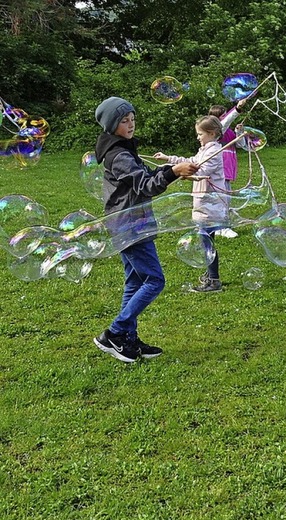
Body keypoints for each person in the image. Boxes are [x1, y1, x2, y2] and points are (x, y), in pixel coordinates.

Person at [93, 96, 199, 363]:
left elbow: (149, 175)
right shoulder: (118, 155)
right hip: (129, 224)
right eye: (124, 121)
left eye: (132, 119)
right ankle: (115, 333)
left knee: (135, 281)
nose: (130, 124)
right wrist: (173, 171)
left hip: (131, 222)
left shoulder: (123, 149)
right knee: (155, 280)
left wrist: (173, 171)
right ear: (112, 125)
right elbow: (146, 186)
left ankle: (127, 338)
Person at [154, 115, 227, 293]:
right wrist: (168, 159)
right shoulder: (205, 149)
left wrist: (184, 174)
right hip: (204, 201)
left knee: (206, 240)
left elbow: (202, 171)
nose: (197, 137)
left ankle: (214, 280)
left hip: (211, 203)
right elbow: (191, 162)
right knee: (206, 240)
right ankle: (211, 275)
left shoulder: (214, 152)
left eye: (200, 134)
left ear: (211, 133)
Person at [208, 98, 247, 238]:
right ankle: (221, 228)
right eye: (223, 115)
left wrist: (238, 132)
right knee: (221, 199)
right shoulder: (215, 132)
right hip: (219, 171)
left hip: (228, 171)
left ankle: (221, 225)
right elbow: (223, 124)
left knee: (226, 199)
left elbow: (241, 145)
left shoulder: (228, 132)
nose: (226, 117)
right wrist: (236, 109)